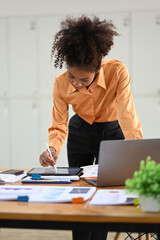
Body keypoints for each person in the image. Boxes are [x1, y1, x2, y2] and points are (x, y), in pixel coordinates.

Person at [39, 15, 143, 240]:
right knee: (78, 188)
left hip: (112, 131)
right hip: (80, 131)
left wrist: (137, 152)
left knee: (105, 190)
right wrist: (53, 148)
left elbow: (127, 113)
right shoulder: (59, 83)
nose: (76, 83)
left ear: (97, 68)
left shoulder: (117, 71)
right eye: (71, 76)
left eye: (84, 80)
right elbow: (59, 123)